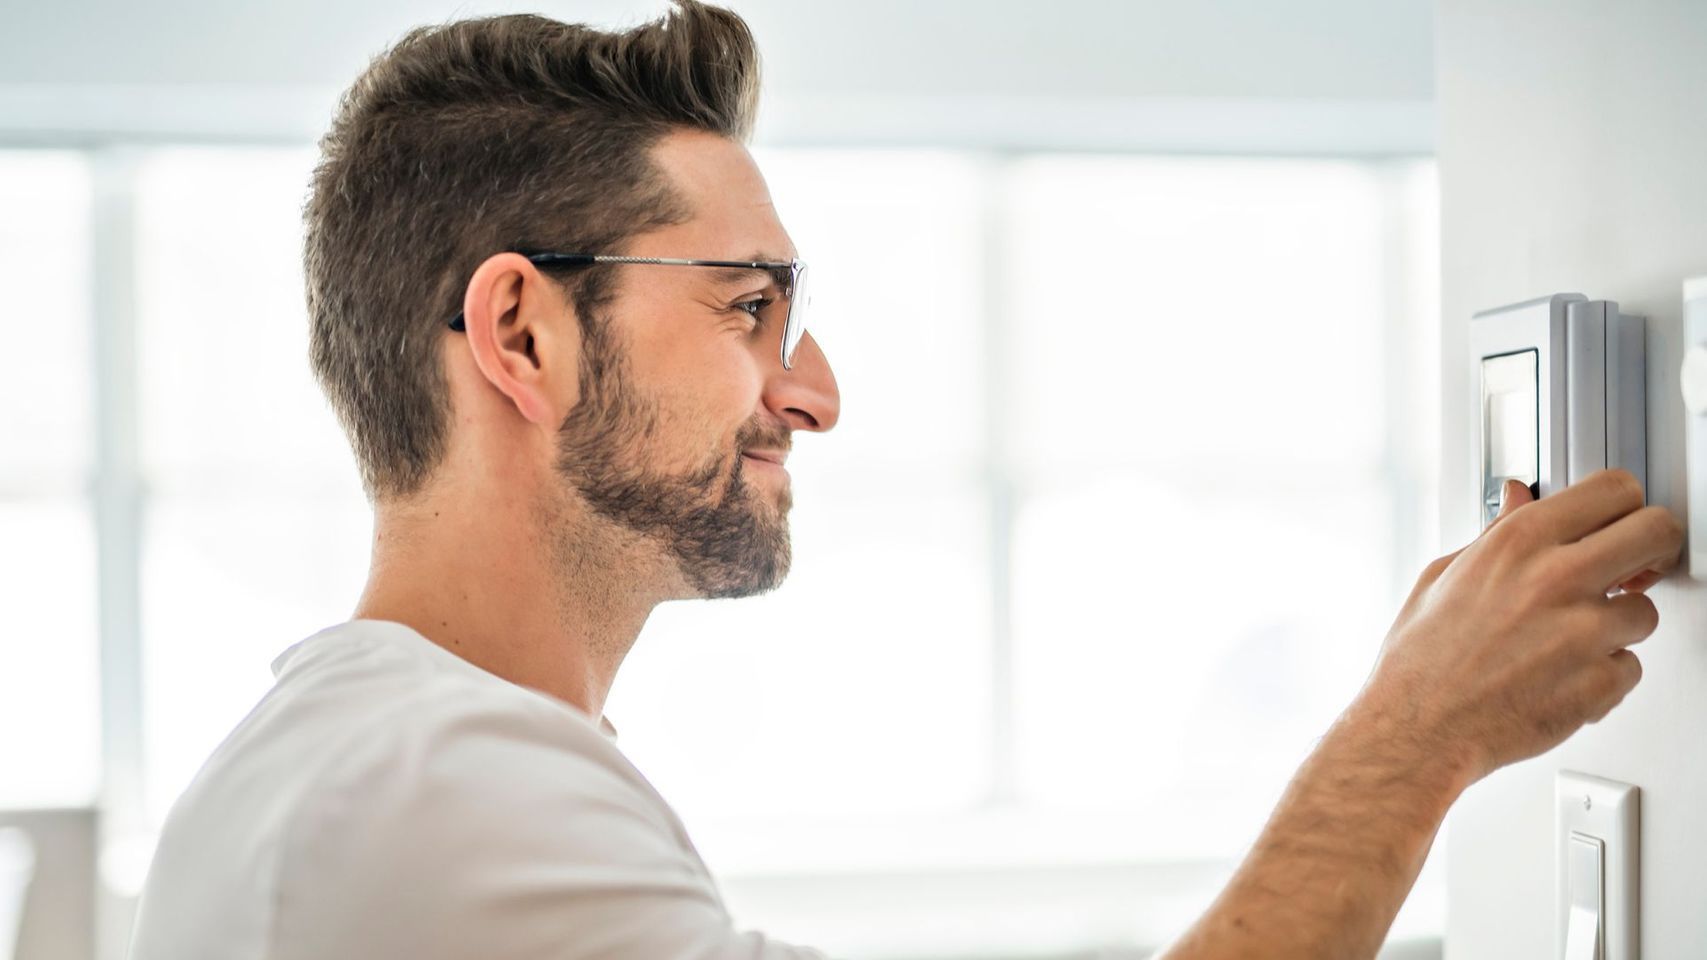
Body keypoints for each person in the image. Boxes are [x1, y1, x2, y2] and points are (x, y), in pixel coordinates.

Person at [126, 4, 1685, 958]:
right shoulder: (432, 792)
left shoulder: (343, 764)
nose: (813, 391)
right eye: (748, 305)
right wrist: (1413, 741)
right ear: (523, 333)